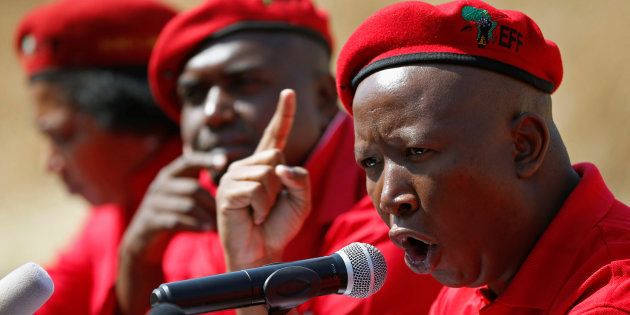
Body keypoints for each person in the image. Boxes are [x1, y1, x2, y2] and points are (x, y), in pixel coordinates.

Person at [115, 0, 442, 314]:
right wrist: (136, 255)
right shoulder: (197, 211)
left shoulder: (396, 209)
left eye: (242, 84)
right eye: (194, 95)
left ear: (324, 97)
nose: (213, 114)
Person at [330, 0, 630, 313]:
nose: (389, 197)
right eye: (371, 163)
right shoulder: (474, 282)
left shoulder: (613, 299)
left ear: (524, 146)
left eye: (417, 151)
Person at [13, 0, 179, 314]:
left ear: (136, 118)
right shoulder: (109, 216)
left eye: (63, 136)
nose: (49, 163)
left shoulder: (212, 210)